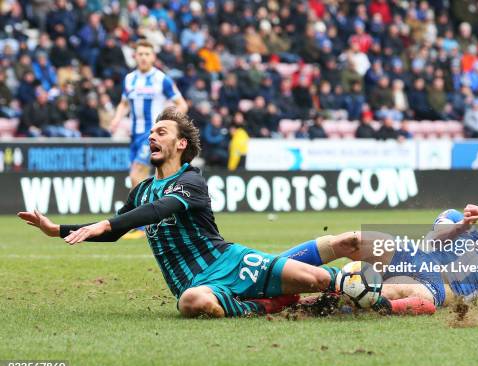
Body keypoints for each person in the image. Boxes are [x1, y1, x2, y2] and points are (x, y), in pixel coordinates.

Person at [18, 107, 343, 319]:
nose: (151, 137)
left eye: (161, 132)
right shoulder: (142, 189)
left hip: (232, 262)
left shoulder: (191, 181)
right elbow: (115, 231)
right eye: (151, 133)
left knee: (321, 278)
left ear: (181, 144)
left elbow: (160, 209)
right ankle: (269, 305)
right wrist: (56, 229)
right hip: (195, 285)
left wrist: (105, 222)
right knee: (192, 303)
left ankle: (389, 288)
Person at [282, 197, 478, 315]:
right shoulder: (458, 219)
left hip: (435, 288)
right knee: (351, 240)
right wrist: (461, 226)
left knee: (390, 291)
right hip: (410, 254)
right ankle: (272, 267)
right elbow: (433, 239)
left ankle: (313, 302)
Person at [109, 40, 187, 239]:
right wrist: (117, 119)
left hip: (151, 134)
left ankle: (141, 225)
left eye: (147, 54)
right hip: (135, 135)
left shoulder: (162, 79)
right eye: (140, 54)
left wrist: (167, 126)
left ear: (153, 57)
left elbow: (181, 104)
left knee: (136, 174)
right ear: (135, 56)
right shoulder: (129, 79)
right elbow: (124, 104)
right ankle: (157, 219)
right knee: (142, 178)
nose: (143, 57)